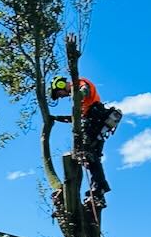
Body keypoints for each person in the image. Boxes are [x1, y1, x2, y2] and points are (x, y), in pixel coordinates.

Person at [48, 75, 122, 212]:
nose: (62, 96)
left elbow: (85, 89)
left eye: (60, 93)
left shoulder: (79, 84)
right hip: (94, 122)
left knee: (89, 156)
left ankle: (98, 189)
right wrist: (56, 118)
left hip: (95, 121)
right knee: (90, 159)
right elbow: (76, 118)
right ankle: (98, 191)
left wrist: (79, 95)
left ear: (60, 85)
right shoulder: (81, 104)